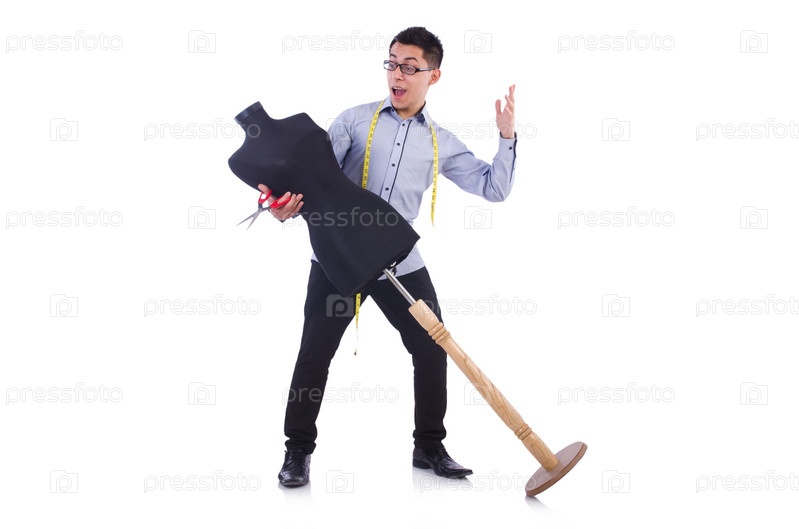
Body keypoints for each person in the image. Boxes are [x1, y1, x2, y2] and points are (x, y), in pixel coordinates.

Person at [261, 26, 517, 487]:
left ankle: (429, 446)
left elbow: (493, 188)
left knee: (432, 349)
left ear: (433, 76)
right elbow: (313, 181)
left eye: (409, 67)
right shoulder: (353, 122)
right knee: (314, 355)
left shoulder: (439, 141)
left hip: (399, 263)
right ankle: (297, 451)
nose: (397, 74)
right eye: (392, 64)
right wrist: (285, 208)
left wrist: (506, 137)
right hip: (338, 259)